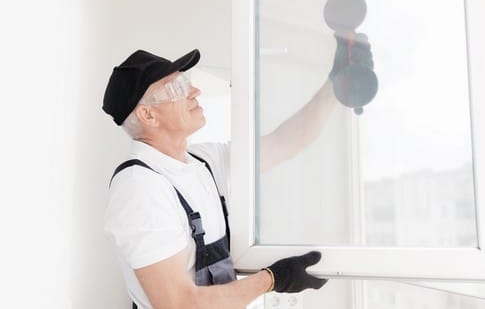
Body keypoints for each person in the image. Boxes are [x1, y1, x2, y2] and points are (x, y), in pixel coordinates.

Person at [102, 34, 373, 308]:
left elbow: (285, 142)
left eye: (186, 82)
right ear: (148, 115)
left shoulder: (204, 161)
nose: (194, 92)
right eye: (176, 88)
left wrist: (334, 83)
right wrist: (272, 279)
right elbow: (179, 304)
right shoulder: (140, 188)